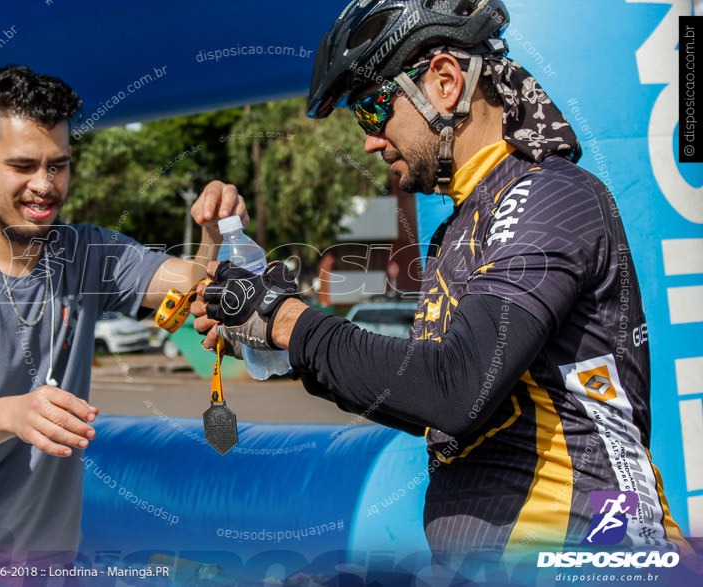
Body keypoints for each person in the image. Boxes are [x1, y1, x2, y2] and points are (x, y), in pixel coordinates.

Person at [197, 0, 692, 576]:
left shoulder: (550, 196)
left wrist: (288, 321)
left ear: (445, 81)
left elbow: (454, 388)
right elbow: (417, 390)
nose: (369, 141)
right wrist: (275, 335)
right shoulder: (458, 229)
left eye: (374, 109)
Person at [0, 65, 246, 572]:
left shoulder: (88, 252)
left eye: (58, 165)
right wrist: (15, 414)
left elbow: (191, 288)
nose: (45, 185)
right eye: (24, 165)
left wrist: (213, 229)